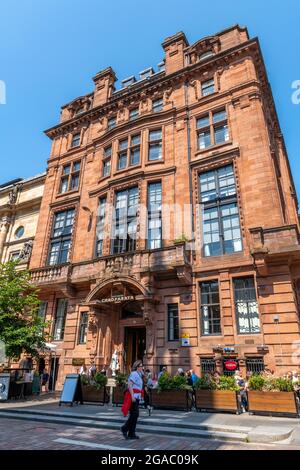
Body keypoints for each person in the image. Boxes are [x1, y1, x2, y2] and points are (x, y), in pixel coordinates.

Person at [121, 360, 144, 440]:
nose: (142, 367)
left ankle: (131, 433)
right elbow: (130, 385)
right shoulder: (134, 374)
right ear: (137, 367)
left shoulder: (140, 374)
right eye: (141, 366)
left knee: (134, 414)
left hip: (137, 396)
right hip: (133, 397)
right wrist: (132, 396)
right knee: (135, 414)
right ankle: (124, 428)